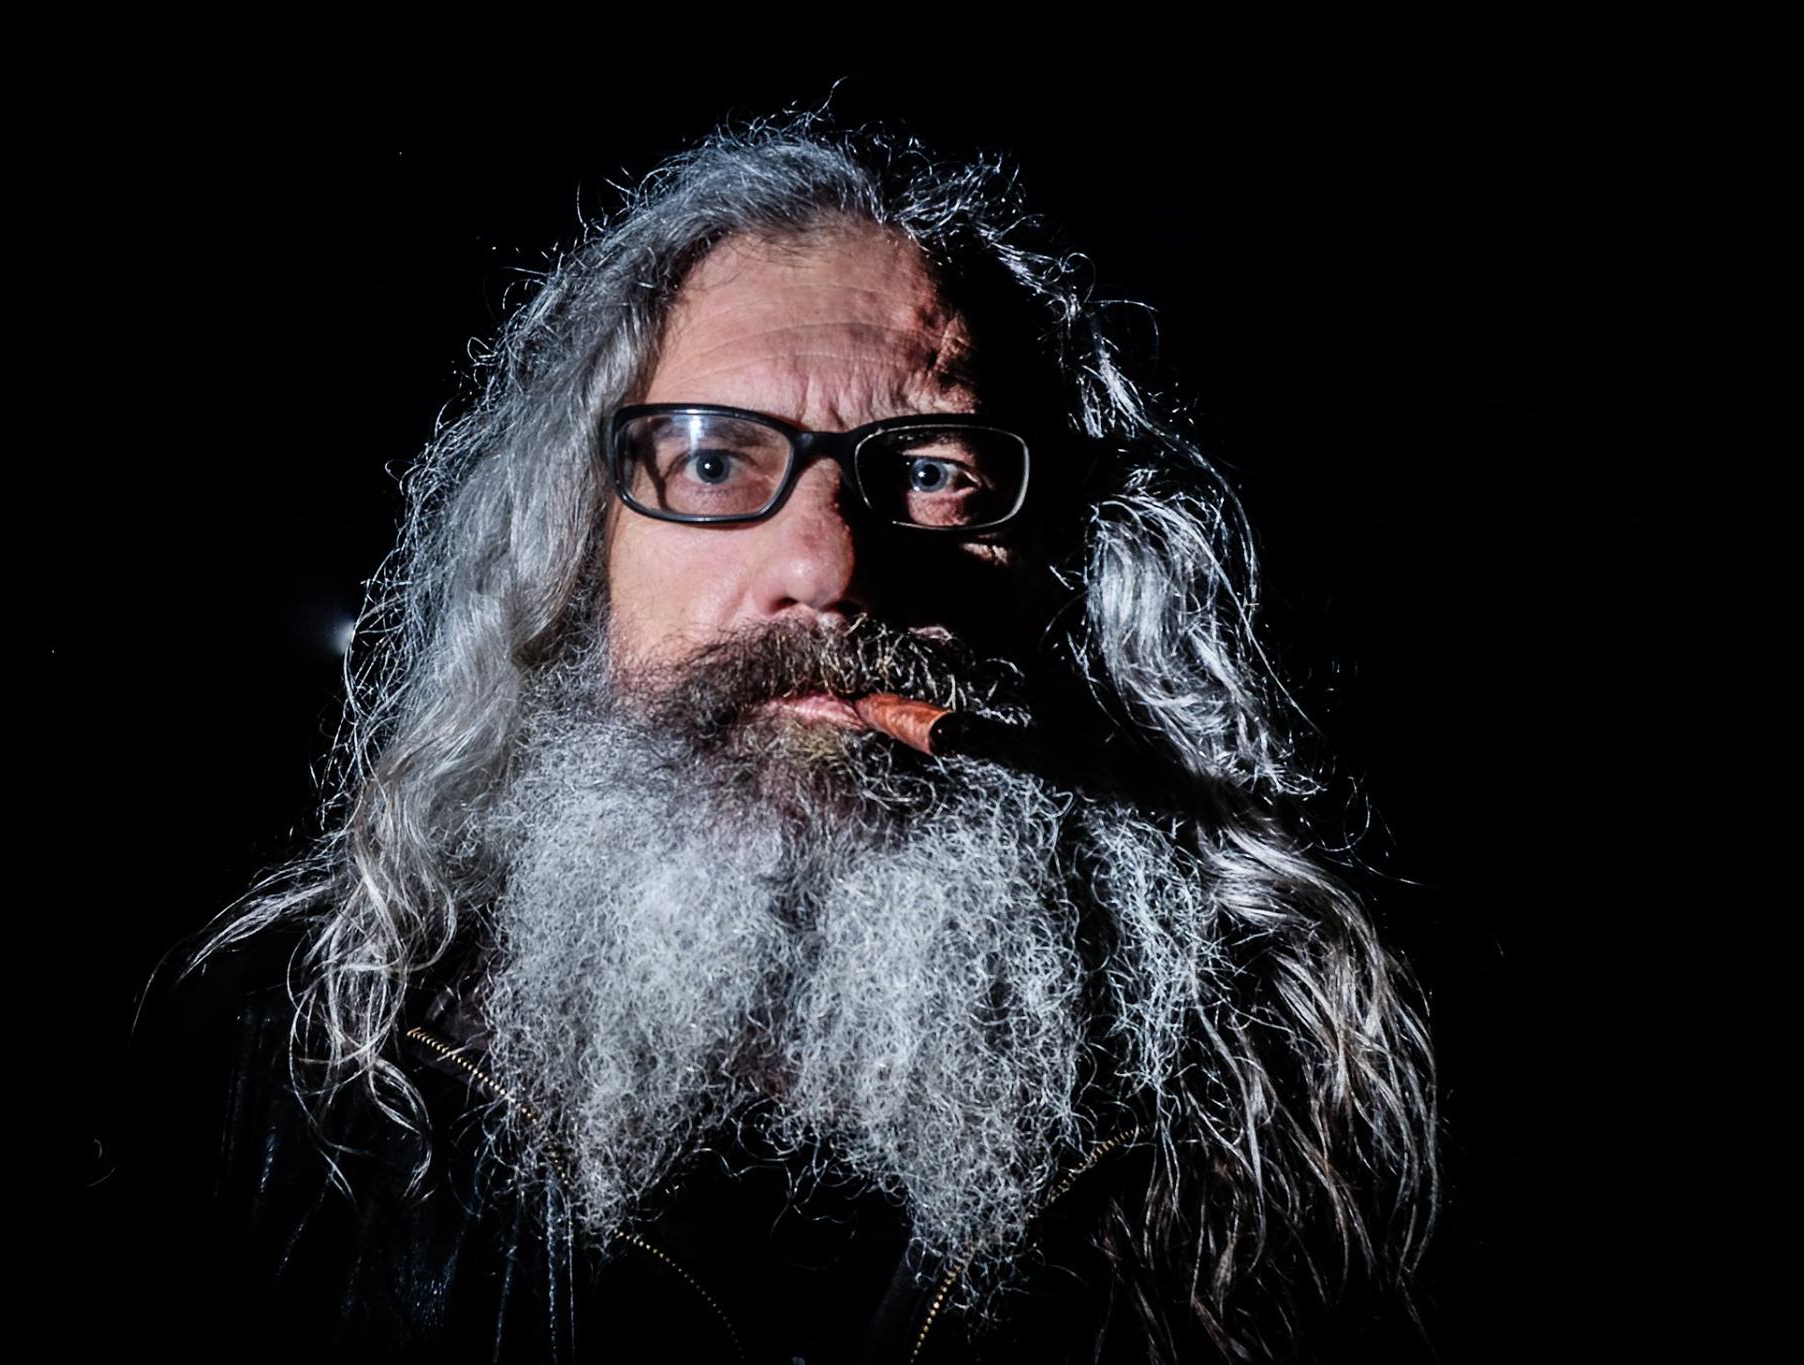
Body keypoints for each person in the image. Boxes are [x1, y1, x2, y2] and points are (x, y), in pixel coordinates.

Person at [121, 114, 1437, 1363]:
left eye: (936, 470)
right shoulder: (284, 1062)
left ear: (1066, 563)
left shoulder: (1273, 1087)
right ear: (579, 543)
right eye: (712, 462)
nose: (826, 567)